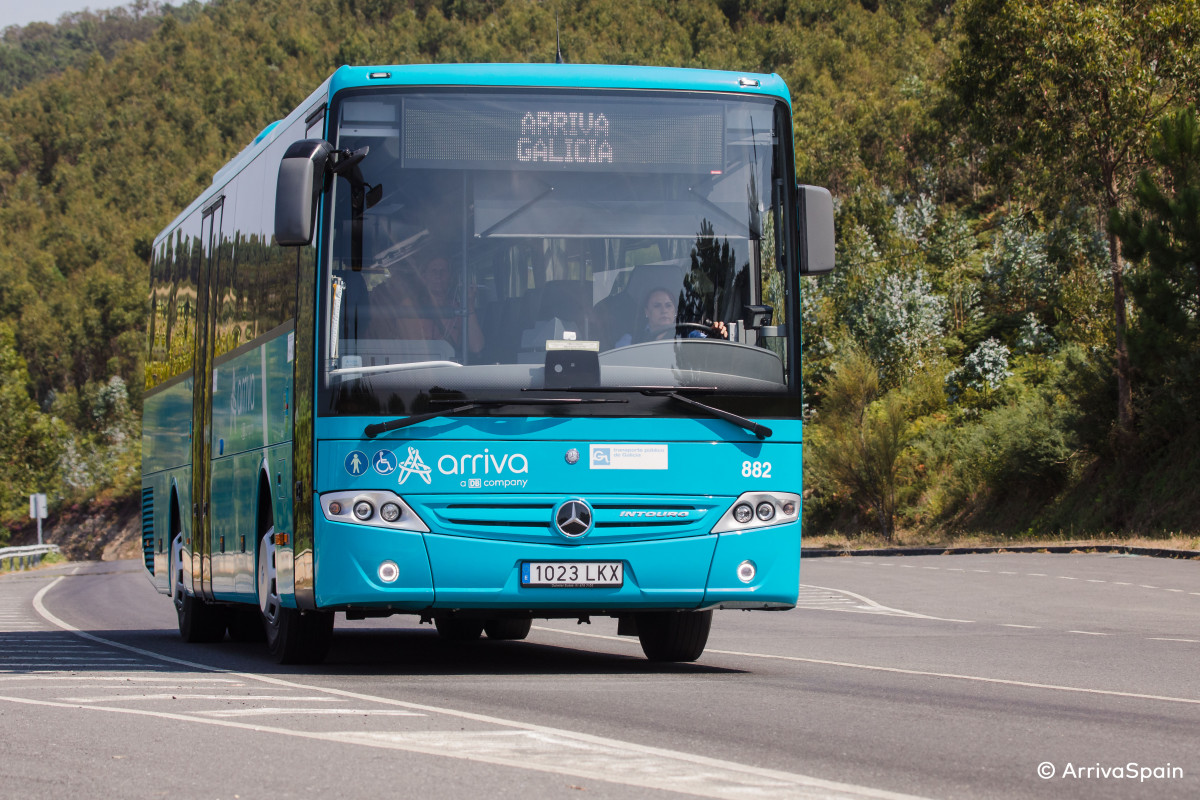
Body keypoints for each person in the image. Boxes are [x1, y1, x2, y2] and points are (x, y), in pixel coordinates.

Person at [614, 287, 728, 347]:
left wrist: (716, 334)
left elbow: (708, 346)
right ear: (647, 311)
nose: (664, 310)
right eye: (657, 306)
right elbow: (617, 361)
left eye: (668, 305)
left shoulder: (687, 335)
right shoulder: (632, 339)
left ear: (675, 310)